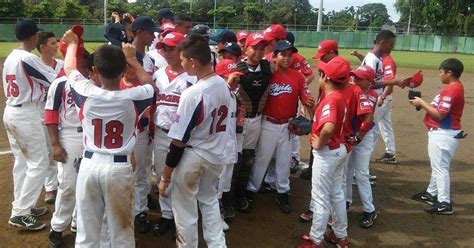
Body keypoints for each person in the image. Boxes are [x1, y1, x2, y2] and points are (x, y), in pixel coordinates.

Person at [62, 30, 155, 246]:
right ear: (124, 70)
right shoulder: (134, 96)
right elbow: (149, 84)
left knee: (86, 233)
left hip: (89, 165)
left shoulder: (85, 91)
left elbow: (69, 68)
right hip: (118, 170)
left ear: (94, 70)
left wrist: (73, 44)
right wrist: (132, 59)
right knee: (121, 233)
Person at [158, 34, 232, 248]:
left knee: (185, 211)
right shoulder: (224, 85)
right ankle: (218, 245)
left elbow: (179, 141)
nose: (181, 64)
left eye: (183, 60)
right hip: (215, 155)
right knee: (209, 202)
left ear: (193, 62)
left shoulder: (193, 92)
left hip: (193, 156)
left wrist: (165, 176)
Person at [4, 19, 59, 230]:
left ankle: (22, 206)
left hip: (12, 111)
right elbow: (53, 79)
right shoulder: (27, 58)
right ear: (32, 36)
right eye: (37, 34)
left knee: (23, 163)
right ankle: (20, 212)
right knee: (39, 163)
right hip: (26, 113)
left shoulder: (11, 56)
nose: (38, 36)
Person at [247, 40, 313, 214]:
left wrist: (309, 108)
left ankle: (283, 192)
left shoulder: (297, 76)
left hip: (288, 126)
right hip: (268, 123)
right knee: (262, 159)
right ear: (274, 56)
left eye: (290, 55)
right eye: (283, 54)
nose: (287, 58)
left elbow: (306, 98)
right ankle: (251, 190)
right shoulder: (267, 74)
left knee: (284, 161)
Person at [298, 56, 350, 248]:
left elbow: (328, 127)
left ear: (326, 77)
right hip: (339, 150)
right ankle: (340, 236)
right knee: (337, 194)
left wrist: (319, 143)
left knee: (320, 198)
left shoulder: (331, 99)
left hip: (327, 153)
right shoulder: (340, 96)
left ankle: (315, 240)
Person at [45, 48, 91, 247]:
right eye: (77, 61)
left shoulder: (92, 83)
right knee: (68, 185)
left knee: (88, 184)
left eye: (83, 62)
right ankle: (57, 226)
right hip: (70, 135)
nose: (81, 67)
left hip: (91, 136)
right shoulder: (60, 83)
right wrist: (55, 144)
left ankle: (77, 222)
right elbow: (51, 115)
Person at [151, 31, 196, 236]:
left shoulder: (193, 78)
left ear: (182, 50)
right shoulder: (158, 73)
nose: (167, 52)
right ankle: (167, 215)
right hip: (162, 133)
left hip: (186, 138)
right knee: (162, 175)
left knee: (183, 177)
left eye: (172, 48)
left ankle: (183, 218)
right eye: (164, 48)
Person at [410, 58, 465, 215]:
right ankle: (431, 193)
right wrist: (423, 104)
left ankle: (444, 203)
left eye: (441, 72)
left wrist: (421, 102)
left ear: (450, 73)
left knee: (440, 168)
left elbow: (440, 114)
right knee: (438, 165)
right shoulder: (453, 87)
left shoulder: (452, 90)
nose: (440, 75)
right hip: (445, 132)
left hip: (443, 133)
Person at [231, 33, 271, 214]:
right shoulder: (237, 68)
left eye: (262, 48)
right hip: (238, 121)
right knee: (234, 160)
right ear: (246, 49)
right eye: (255, 47)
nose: (258, 51)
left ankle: (241, 195)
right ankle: (228, 198)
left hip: (256, 119)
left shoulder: (267, 68)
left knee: (248, 159)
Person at [359, 30, 405, 164]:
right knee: (371, 132)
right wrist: (393, 82)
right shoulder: (373, 59)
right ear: (383, 43)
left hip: (377, 97)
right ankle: (362, 167)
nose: (392, 47)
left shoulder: (377, 58)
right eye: (391, 44)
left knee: (379, 128)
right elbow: (368, 84)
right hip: (372, 99)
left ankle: (365, 165)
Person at [344, 65, 379, 228]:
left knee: (362, 173)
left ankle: (369, 210)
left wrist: (358, 138)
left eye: (359, 78)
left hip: (363, 136)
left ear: (369, 81)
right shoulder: (351, 89)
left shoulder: (371, 95)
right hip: (351, 134)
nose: (355, 80)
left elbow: (367, 121)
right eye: (354, 77)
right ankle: (345, 201)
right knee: (346, 171)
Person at [300, 39, 339, 180]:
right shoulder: (329, 68)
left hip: (330, 112)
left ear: (332, 52)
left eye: (323, 55)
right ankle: (312, 169)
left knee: (322, 140)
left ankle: (316, 171)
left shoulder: (339, 71)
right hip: (323, 108)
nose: (321, 58)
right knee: (315, 135)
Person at [36, 31, 64, 204]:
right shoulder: (34, 66)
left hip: (63, 114)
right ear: (42, 47)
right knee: (48, 151)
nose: (56, 46)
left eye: (56, 43)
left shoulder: (62, 65)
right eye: (52, 43)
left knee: (64, 147)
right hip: (42, 113)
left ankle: (62, 183)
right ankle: (50, 187)